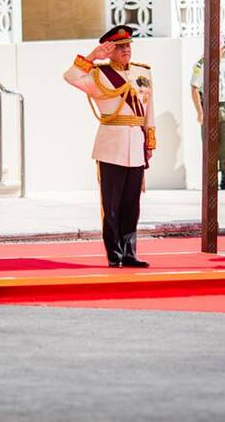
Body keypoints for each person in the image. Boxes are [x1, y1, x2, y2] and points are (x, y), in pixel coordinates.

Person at [63, 25, 156, 268]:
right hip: (111, 145)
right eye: (120, 47)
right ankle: (114, 254)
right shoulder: (98, 74)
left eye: (128, 46)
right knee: (112, 205)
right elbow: (70, 76)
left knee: (131, 204)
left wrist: (150, 142)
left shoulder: (142, 72)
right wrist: (93, 56)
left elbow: (149, 111)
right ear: (110, 50)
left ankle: (130, 253)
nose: (126, 50)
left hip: (136, 144)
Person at [190, 34, 225, 190]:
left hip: (224, 106)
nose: (219, 51)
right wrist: (200, 112)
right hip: (209, 107)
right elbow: (195, 89)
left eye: (221, 48)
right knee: (210, 145)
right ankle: (210, 179)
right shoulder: (201, 64)